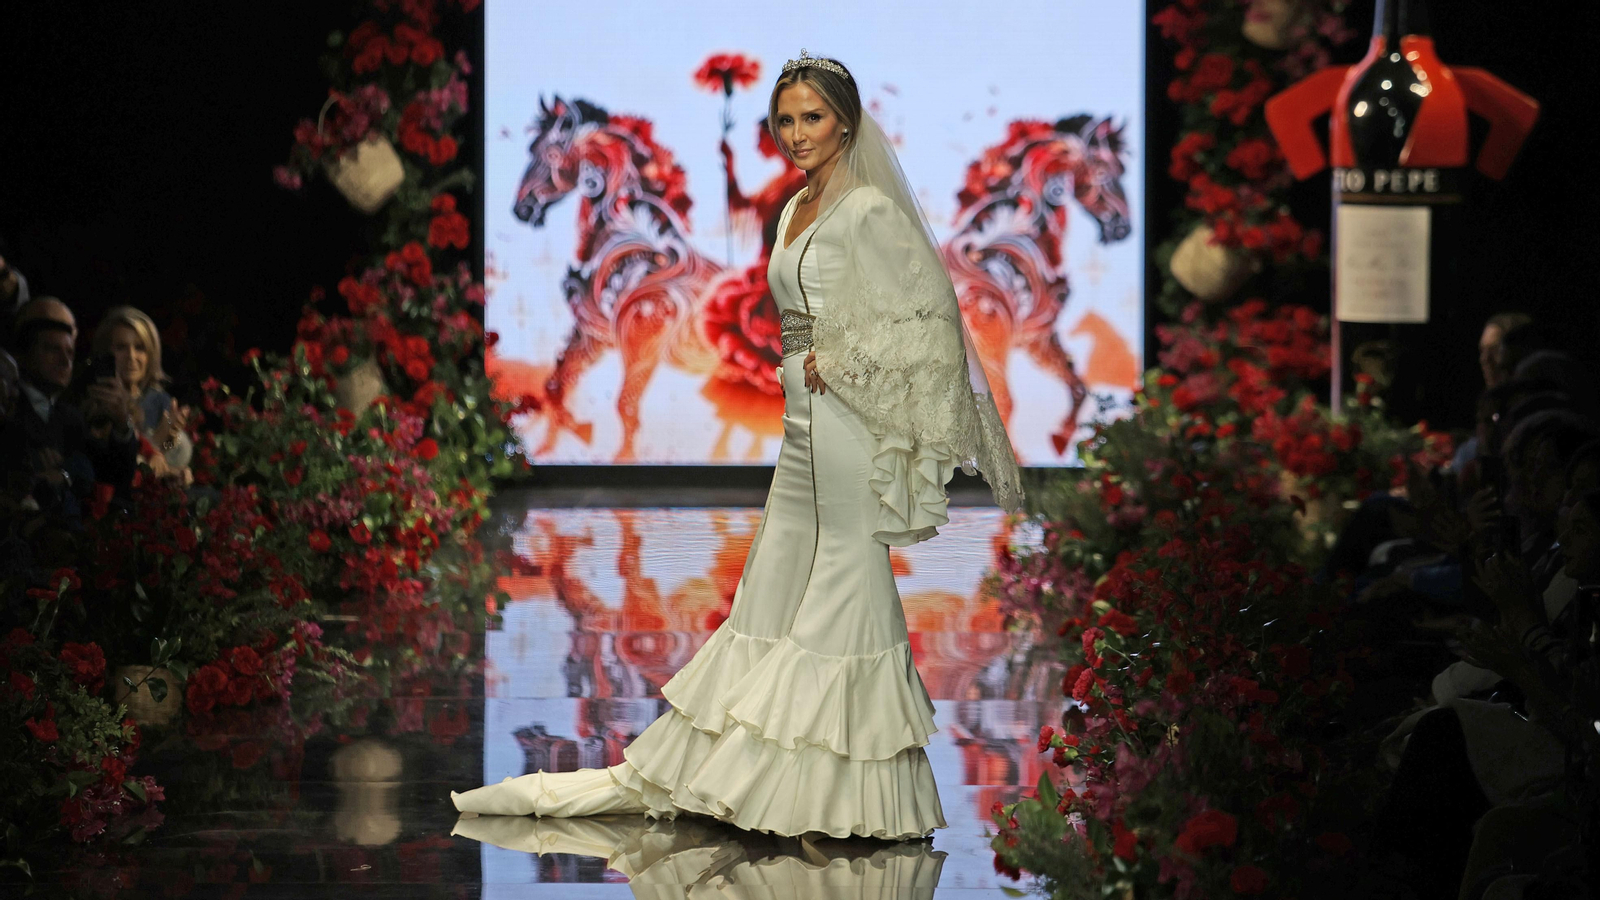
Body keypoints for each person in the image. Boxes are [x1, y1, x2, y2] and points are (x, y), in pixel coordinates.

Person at [452, 51, 1023, 840]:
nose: (796, 133)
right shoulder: (796, 209)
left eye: (812, 117)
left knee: (843, 582)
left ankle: (831, 794)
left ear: (846, 121)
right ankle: (768, 772)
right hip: (801, 425)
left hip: (846, 424)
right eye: (785, 119)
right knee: (775, 587)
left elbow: (927, 315)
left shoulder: (868, 211)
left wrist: (844, 354)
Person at [90, 306, 192, 479]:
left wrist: (171, 435)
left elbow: (164, 454)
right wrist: (158, 440)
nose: (131, 356)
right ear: (106, 352)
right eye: (121, 347)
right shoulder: (98, 399)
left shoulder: (159, 400)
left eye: (139, 348)